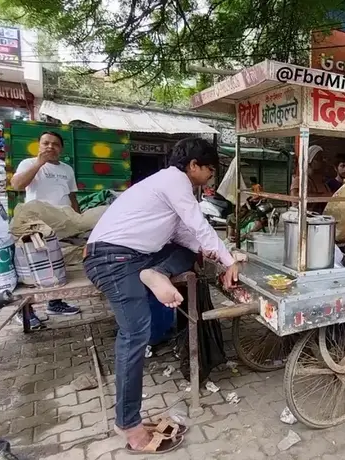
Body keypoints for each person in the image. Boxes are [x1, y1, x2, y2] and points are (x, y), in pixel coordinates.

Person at [84, 137, 240, 454]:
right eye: (210, 170)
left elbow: (188, 236)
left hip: (135, 257)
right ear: (194, 166)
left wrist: (225, 254)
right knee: (135, 333)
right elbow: (199, 224)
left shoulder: (169, 187)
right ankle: (128, 424)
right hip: (111, 259)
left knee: (187, 253)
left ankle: (157, 273)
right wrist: (228, 260)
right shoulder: (175, 180)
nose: (211, 177)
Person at [10, 131, 81, 327]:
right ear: (39, 145)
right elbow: (16, 184)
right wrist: (39, 163)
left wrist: (78, 218)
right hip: (36, 224)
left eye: (55, 144)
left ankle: (55, 303)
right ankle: (25, 311)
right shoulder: (28, 163)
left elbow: (72, 197)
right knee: (31, 266)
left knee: (57, 264)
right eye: (45, 143)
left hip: (61, 222)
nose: (50, 147)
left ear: (61, 149)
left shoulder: (67, 169)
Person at [290, 145, 332, 213]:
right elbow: (296, 197)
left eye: (323, 158)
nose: (323, 161)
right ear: (309, 161)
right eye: (319, 159)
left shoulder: (323, 183)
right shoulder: (299, 180)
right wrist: (323, 196)